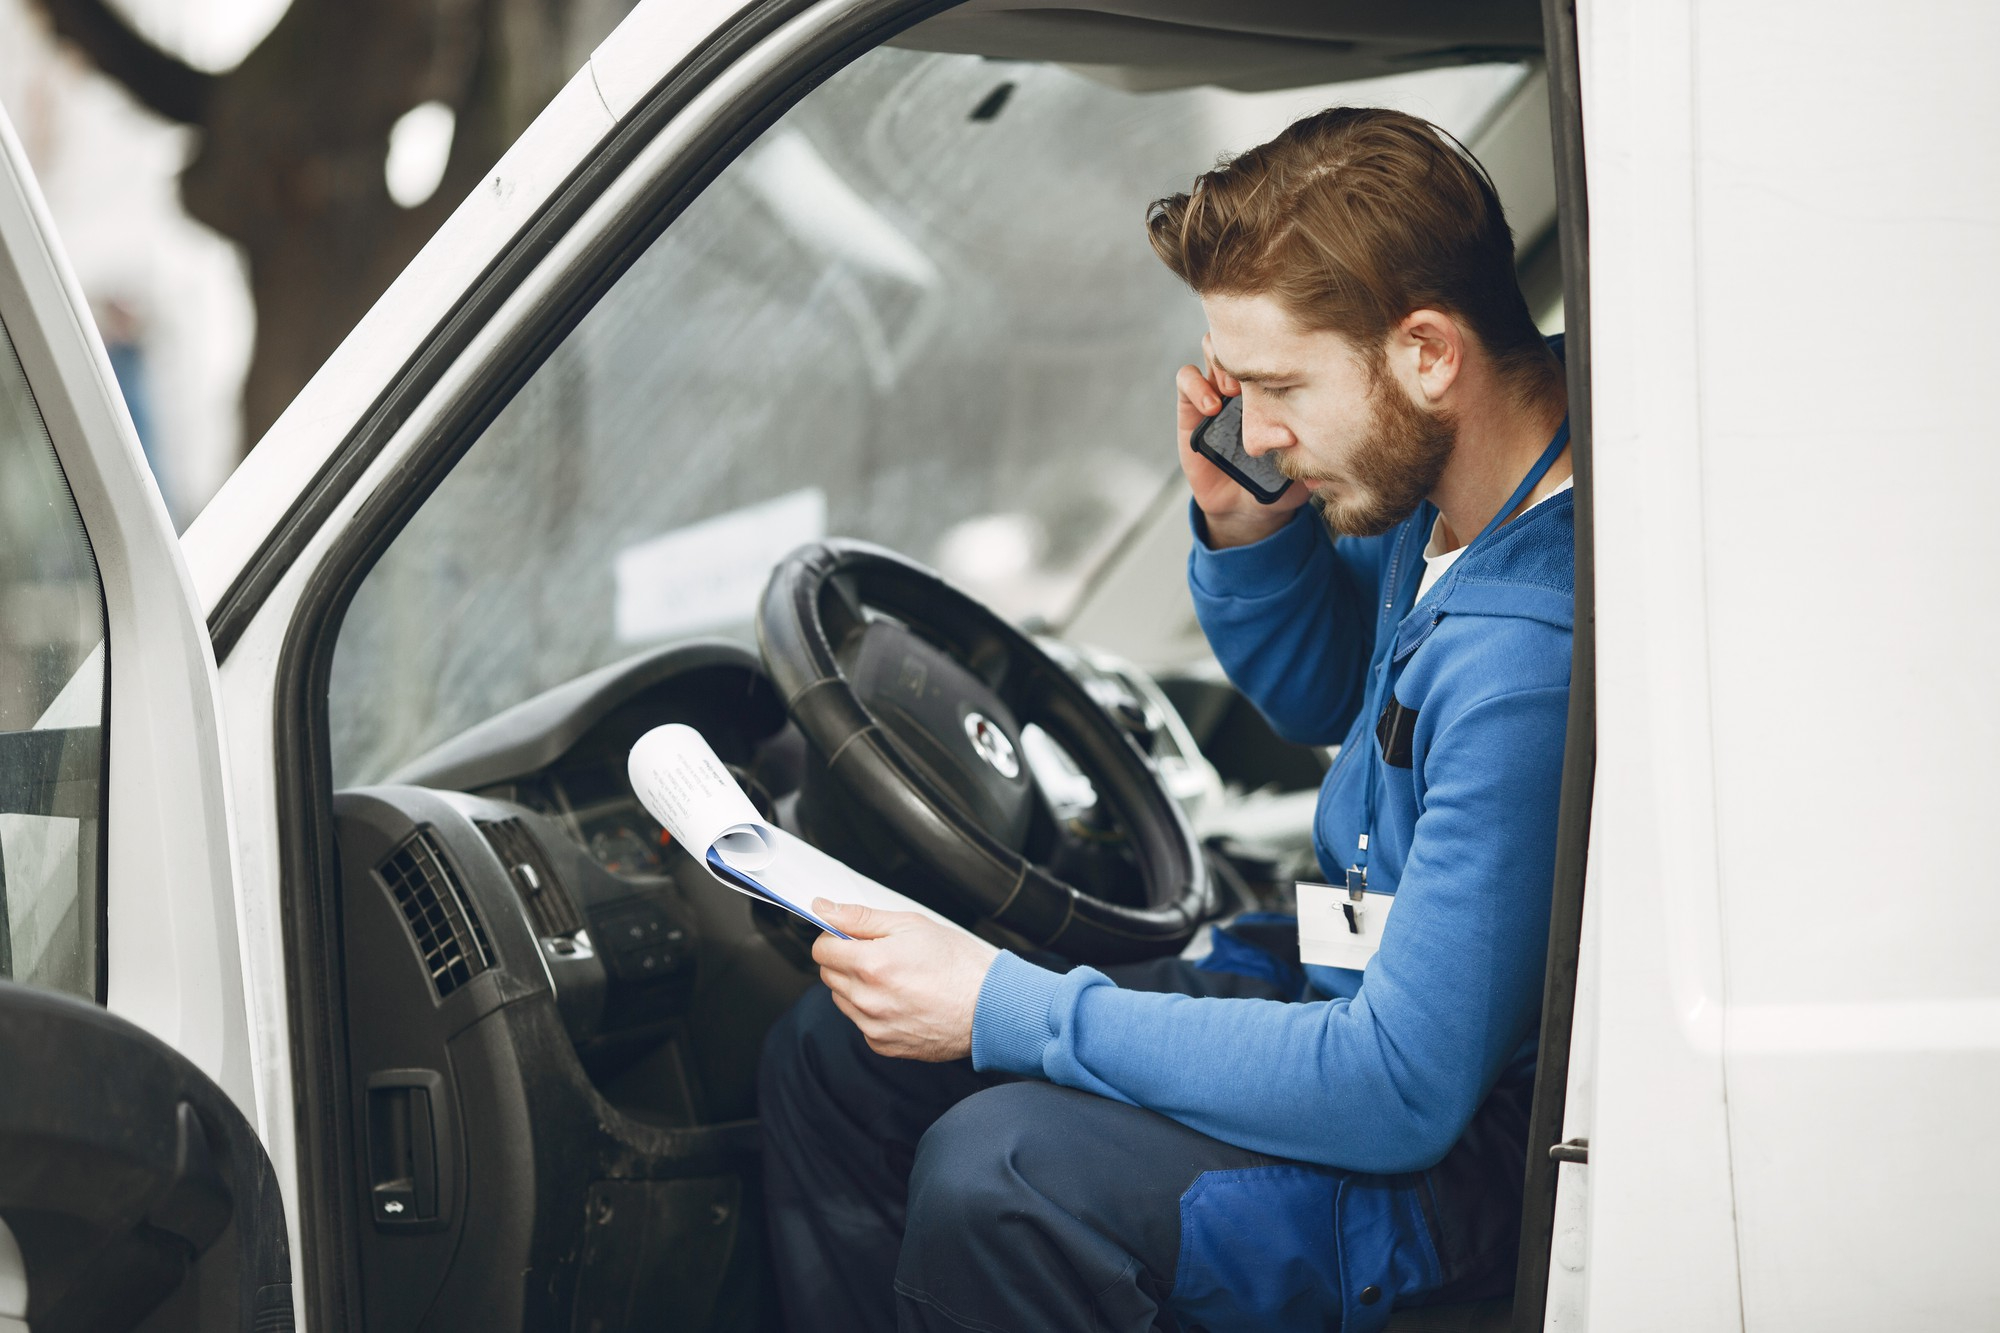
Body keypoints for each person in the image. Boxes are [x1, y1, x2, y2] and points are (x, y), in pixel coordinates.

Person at [759, 106, 1573, 1333]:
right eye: (1234, 388)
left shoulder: (1530, 656)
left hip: (1462, 1151)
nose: (1254, 432)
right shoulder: (1453, 475)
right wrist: (1248, 523)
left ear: (1426, 352)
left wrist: (998, 1002)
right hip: (1341, 981)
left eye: (1278, 387)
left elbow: (1398, 1088)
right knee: (843, 1052)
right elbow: (1322, 694)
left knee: (1006, 1181)